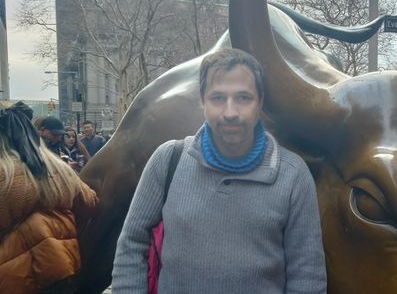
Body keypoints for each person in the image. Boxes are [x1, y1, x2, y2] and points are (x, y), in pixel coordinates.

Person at [112, 48, 327, 293]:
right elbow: (131, 245)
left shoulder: (292, 175)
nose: (230, 112)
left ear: (260, 102)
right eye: (218, 98)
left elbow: (307, 275)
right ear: (202, 100)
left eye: (243, 98)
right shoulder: (168, 160)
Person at [0, 101, 98, 293]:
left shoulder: (6, 175)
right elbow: (90, 203)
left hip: (15, 280)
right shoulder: (60, 169)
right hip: (63, 270)